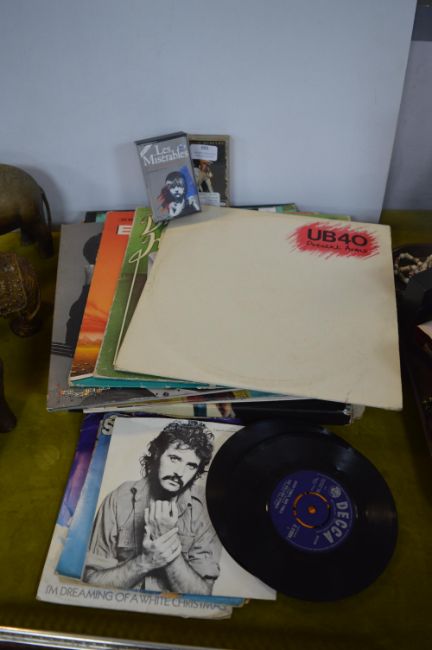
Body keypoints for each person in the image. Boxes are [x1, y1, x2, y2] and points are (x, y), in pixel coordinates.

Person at [83, 420, 221, 594]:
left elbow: (202, 594)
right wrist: (146, 561)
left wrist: (167, 542)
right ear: (157, 453)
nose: (179, 472)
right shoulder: (119, 499)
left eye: (191, 466)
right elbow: (92, 582)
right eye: (174, 458)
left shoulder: (205, 511)